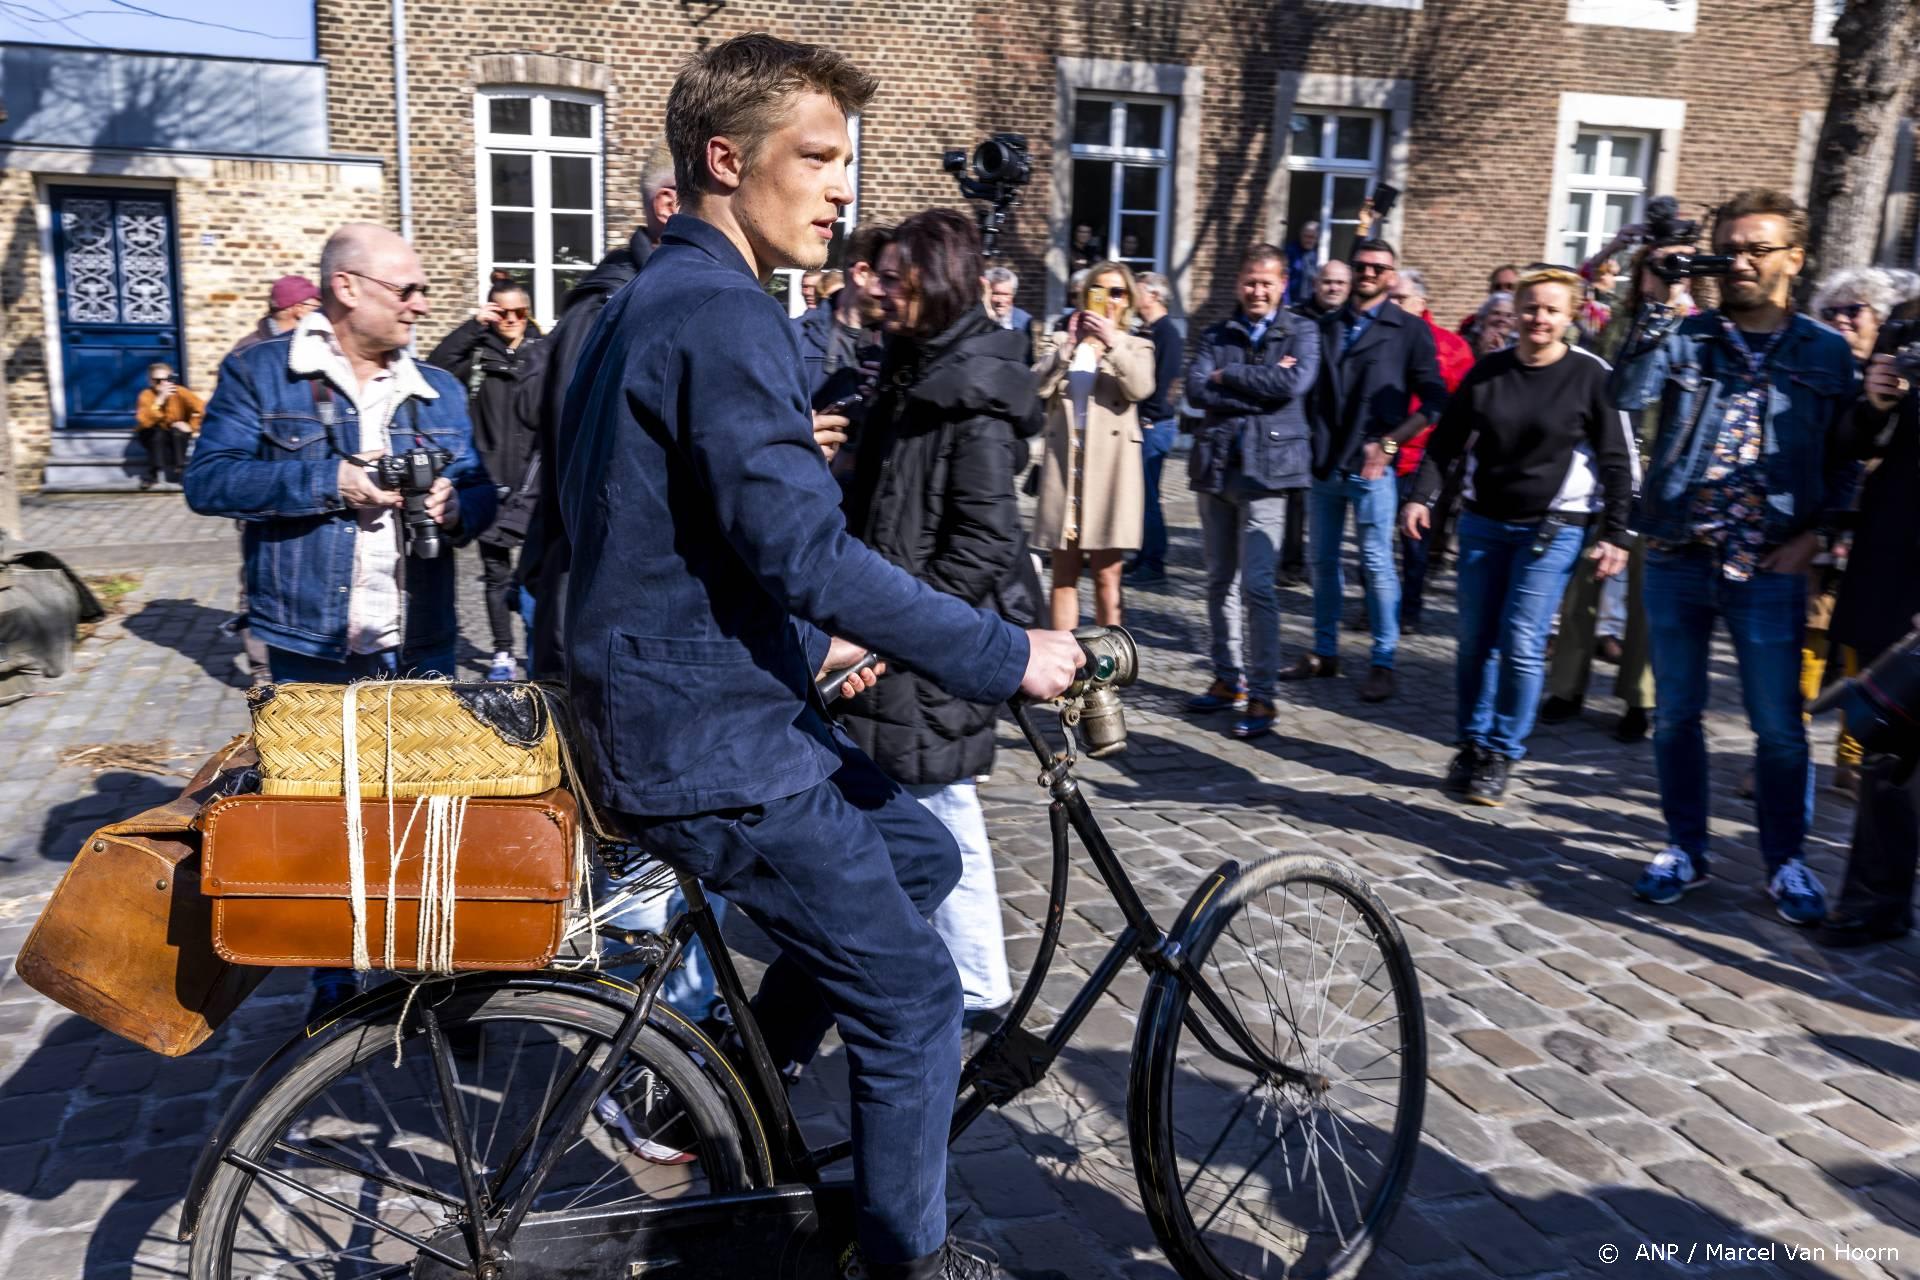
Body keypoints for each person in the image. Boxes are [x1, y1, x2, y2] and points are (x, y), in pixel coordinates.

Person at [556, 35, 1081, 1280]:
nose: (845, 188)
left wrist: (813, 642)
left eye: (849, 159)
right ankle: (913, 1257)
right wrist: (1011, 653)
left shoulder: (642, 299)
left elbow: (660, 535)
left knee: (922, 849)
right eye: (821, 156)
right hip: (709, 741)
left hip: (691, 698)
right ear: (726, 160)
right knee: (910, 998)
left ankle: (713, 1100)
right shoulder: (722, 314)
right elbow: (809, 554)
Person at [184, 223, 497, 1021]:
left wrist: (458, 503)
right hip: (310, 642)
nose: (423, 306)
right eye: (409, 291)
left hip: (416, 637)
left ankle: (432, 974)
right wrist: (332, 480)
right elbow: (210, 483)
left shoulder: (439, 388)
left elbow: (486, 490)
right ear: (348, 288)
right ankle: (334, 981)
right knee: (324, 816)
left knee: (427, 815)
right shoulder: (263, 374)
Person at [1610, 189, 1856, 924]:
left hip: (1772, 560)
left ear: (1794, 257)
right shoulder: (1690, 335)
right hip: (1682, 552)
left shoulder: (1826, 351)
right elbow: (1627, 391)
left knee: (1778, 726)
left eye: (1759, 248)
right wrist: (1658, 297)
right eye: (1732, 248)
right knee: (1676, 715)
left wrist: (1818, 538)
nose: (1741, 261)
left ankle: (1786, 864)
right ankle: (1685, 849)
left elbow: (1847, 462)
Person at [836, 207, 1041, 1022]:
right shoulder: (907, 371)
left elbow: (986, 542)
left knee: (944, 800)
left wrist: (902, 632)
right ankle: (919, 956)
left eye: (895, 278)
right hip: (893, 625)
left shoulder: (973, 398)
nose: (879, 289)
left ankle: (982, 985)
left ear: (935, 282)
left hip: (923, 645)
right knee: (910, 799)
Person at [1404, 268, 1635, 804]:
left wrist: (1616, 534)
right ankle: (1471, 743)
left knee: (1522, 640)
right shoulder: (1488, 373)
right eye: (1531, 307)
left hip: (1553, 528)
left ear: (1570, 315)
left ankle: (1503, 751)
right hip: (1484, 522)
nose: (1539, 318)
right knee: (1474, 642)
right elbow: (1446, 445)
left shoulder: (1591, 376)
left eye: (1552, 310)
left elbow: (1619, 462)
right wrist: (1421, 497)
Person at [517, 136, 678, 681]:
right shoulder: (605, 309)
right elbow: (588, 472)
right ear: (670, 206)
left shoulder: (661, 294)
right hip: (594, 598)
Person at [1542, 243, 1693, 743]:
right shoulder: (1616, 330)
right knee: (1583, 584)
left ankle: (1640, 699)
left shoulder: (1701, 330)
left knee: (1651, 595)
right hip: (1609, 468)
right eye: (1658, 265)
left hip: (1665, 476)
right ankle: (1566, 687)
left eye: (1680, 264)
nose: (1668, 274)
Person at [1292, 238, 1448, 702]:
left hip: (1373, 470)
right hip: (1324, 466)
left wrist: (1391, 443)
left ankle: (1384, 660)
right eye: (1361, 264)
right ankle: (1325, 651)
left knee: (1377, 564)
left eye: (1378, 267)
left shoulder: (1409, 330)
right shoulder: (1325, 324)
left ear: (1392, 275)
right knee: (1321, 563)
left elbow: (1436, 402)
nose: (1367, 272)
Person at [1183, 245, 1322, 738]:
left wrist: (1231, 374)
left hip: (1269, 474)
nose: (1257, 290)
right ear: (1238, 283)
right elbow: (1197, 389)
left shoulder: (1301, 330)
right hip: (1217, 468)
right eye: (1249, 281)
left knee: (1259, 587)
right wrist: (1252, 384)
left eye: (1266, 282)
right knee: (1220, 580)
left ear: (1283, 283)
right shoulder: (1217, 332)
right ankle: (1228, 679)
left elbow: (1294, 382)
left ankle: (1262, 695)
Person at [1815, 323, 1920, 946]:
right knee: (1890, 755)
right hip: (1897, 573)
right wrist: (1874, 404)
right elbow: (1851, 446)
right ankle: (1875, 901)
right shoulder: (1910, 325)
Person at [427, 281, 546, 680]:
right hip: (490, 485)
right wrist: (473, 327)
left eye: (518, 313)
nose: (510, 321)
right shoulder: (478, 356)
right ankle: (502, 652)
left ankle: (536, 646)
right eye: (502, 313)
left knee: (534, 576)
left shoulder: (544, 355)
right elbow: (436, 367)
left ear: (528, 314)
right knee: (495, 577)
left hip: (534, 488)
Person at [1033, 261, 1156, 630]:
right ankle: (1063, 672)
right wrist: (1070, 345)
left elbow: (1140, 388)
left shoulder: (1137, 344)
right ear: (1086, 296)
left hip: (1111, 469)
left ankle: (1108, 670)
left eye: (1118, 293)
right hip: (1067, 464)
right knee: (1063, 577)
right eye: (1100, 291)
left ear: (1129, 300)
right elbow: (1035, 387)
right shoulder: (1059, 341)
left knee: (1107, 577)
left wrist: (1112, 344)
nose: (1110, 300)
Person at [1386, 267, 1474, 631]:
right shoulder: (1377, 337)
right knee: (1373, 541)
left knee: (1414, 543)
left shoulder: (1451, 347)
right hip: (1382, 456)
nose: (1392, 304)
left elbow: (1459, 407)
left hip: (1423, 459)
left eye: (1400, 298)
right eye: (1389, 297)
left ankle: (1409, 609)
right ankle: (1375, 608)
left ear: (1421, 302)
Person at [1127, 270, 1182, 586]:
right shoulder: (1146, 330)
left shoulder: (1167, 333)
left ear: (1154, 295)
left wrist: (1149, 416)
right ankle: (1143, 554)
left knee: (1149, 496)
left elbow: (1168, 382)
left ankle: (1155, 562)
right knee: (1140, 496)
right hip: (1144, 422)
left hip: (1154, 425)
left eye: (1137, 292)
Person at [132, 361, 204, 489]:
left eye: (167, 379)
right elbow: (144, 421)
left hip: (174, 434)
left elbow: (201, 408)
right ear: (151, 381)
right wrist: (159, 400)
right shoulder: (146, 395)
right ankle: (152, 473)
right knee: (157, 434)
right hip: (151, 433)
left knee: (178, 431)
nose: (163, 384)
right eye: (158, 380)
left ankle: (180, 470)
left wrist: (191, 426)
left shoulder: (180, 392)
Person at [226, 274, 320, 360]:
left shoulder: (313, 344)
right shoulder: (248, 352)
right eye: (318, 306)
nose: (321, 310)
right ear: (300, 309)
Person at [983, 264, 1036, 350]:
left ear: (1013, 295)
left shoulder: (1024, 321)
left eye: (1006, 294)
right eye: (995, 293)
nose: (1000, 300)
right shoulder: (978, 320)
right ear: (987, 294)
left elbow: (1027, 359)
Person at [1459, 264, 1520, 337]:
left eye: (1510, 287)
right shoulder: (1471, 323)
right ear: (1490, 291)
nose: (1503, 291)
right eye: (1497, 287)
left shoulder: (1527, 323)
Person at [1284, 219, 1322, 307]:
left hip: (1308, 303)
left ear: (1317, 239)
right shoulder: (1290, 252)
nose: (1309, 240)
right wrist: (1286, 303)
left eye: (1312, 237)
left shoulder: (1315, 254)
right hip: (1291, 303)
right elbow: (1284, 279)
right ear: (1300, 236)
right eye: (1306, 236)